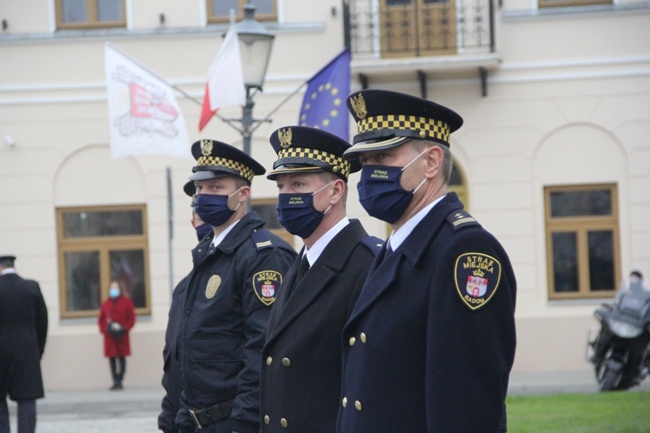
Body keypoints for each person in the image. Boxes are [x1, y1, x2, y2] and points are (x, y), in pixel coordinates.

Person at [337, 89, 517, 433]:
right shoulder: (396, 247)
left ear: (431, 162)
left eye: (384, 157)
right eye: (366, 163)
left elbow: (466, 407)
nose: (370, 173)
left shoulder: (463, 252)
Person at [260, 126, 382, 433]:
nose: (286, 196)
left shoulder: (365, 264)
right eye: (281, 187)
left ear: (336, 191)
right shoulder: (299, 264)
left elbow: (368, 382)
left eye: (298, 184)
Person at [175, 139, 296, 433]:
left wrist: (243, 422)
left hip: (232, 421)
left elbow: (261, 349)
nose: (204, 196)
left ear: (243, 194)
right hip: (196, 420)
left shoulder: (262, 256)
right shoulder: (209, 252)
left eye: (216, 188)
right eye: (200, 189)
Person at [158, 182, 211, 433]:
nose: (207, 221)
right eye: (200, 216)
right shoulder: (184, 289)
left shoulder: (255, 260)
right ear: (192, 224)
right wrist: (168, 421)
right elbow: (174, 362)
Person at [0, 255, 48, 433]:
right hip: (26, 350)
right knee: (27, 399)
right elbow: (43, 322)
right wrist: (38, 350)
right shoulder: (31, 287)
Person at [98, 280, 136, 390]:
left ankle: (120, 379)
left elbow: (131, 319)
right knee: (112, 359)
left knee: (122, 358)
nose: (113, 290)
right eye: (111, 288)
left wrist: (124, 328)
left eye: (115, 288)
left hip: (121, 336)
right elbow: (101, 320)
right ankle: (115, 380)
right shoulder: (106, 304)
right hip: (110, 337)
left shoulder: (126, 302)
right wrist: (105, 329)